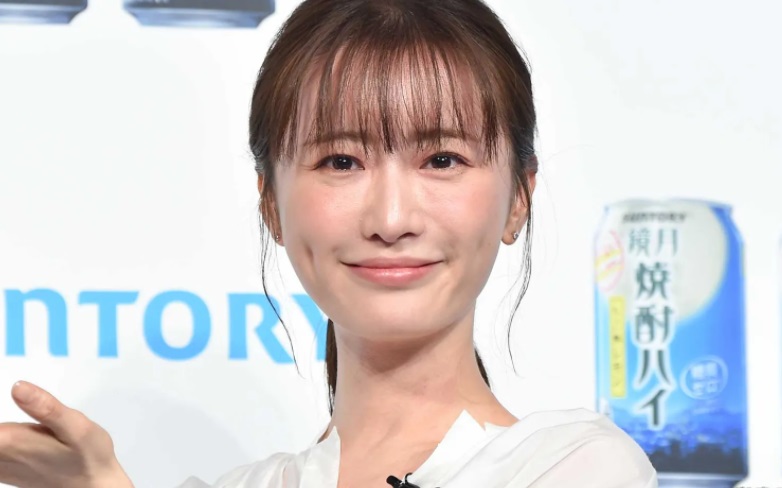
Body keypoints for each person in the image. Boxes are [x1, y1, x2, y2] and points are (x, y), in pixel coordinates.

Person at [0, 0, 658, 487]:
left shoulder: (576, 468)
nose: (391, 218)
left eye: (442, 160)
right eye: (341, 161)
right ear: (271, 203)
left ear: (519, 197)